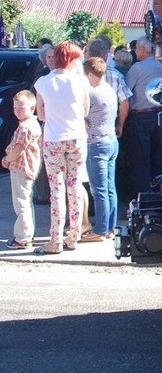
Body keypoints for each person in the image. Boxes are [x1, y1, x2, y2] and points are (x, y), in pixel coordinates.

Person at [34, 40, 90, 255]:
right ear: (71, 59)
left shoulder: (43, 83)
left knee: (56, 190)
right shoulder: (80, 81)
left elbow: (40, 114)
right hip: (76, 137)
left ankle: (54, 240)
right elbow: (85, 111)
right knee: (74, 187)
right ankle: (73, 235)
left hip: (53, 139)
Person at [81, 57, 119, 241]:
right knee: (110, 188)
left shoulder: (92, 94)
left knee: (99, 190)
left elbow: (81, 114)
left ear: (90, 74)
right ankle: (110, 227)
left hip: (96, 144)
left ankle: (100, 230)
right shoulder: (109, 90)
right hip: (111, 141)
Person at [123, 38, 162, 194]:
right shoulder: (160, 67)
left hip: (140, 117)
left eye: (136, 49)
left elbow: (125, 91)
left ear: (142, 50)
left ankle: (144, 200)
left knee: (140, 161)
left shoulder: (137, 68)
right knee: (156, 159)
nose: (134, 51)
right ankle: (158, 196)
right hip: (158, 115)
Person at [2, 89, 42, 250]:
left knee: (21, 203)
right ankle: (27, 234)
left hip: (21, 168)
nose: (17, 111)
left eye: (22, 108)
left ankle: (22, 238)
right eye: (15, 108)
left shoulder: (25, 127)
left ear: (32, 108)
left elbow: (18, 149)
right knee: (26, 201)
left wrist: (7, 159)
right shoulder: (32, 123)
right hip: (27, 169)